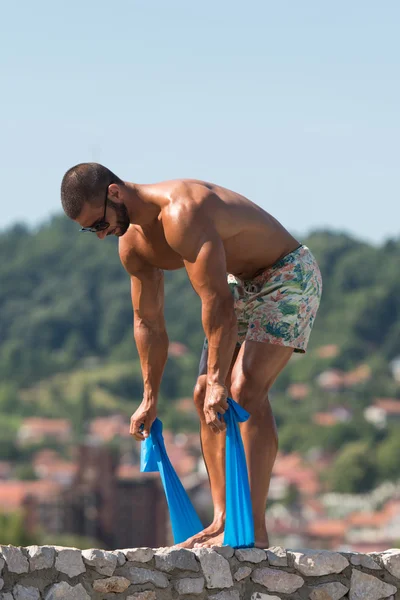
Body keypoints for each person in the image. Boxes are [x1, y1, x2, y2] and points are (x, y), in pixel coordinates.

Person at [61, 162, 322, 549]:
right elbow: (147, 322)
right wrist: (149, 399)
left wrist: (220, 379)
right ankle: (222, 520)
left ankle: (253, 528)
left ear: (114, 192)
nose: (101, 235)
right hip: (240, 285)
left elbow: (216, 301)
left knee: (242, 387)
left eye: (98, 223)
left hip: (286, 274)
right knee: (203, 396)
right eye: (90, 231)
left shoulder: (183, 211)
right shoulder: (132, 244)